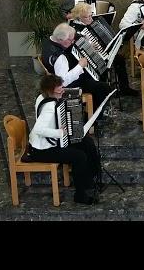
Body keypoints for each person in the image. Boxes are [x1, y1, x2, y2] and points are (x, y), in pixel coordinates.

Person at [27, 74, 101, 205]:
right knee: (79, 156)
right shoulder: (49, 108)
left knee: (86, 142)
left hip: (49, 143)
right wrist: (59, 132)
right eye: (60, 88)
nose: (62, 90)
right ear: (51, 90)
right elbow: (39, 129)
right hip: (41, 150)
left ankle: (90, 181)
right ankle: (80, 195)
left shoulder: (43, 96)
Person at [41, 23, 112, 116]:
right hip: (66, 86)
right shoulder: (60, 58)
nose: (73, 42)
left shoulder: (50, 40)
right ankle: (95, 116)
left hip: (54, 76)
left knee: (95, 76)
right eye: (70, 40)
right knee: (102, 85)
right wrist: (80, 66)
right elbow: (63, 82)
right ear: (61, 39)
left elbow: (72, 44)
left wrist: (88, 45)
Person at [69, 3, 138, 97]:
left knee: (119, 59)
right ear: (78, 18)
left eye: (91, 16)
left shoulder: (92, 23)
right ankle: (103, 91)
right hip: (88, 60)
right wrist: (89, 46)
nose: (91, 19)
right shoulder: (74, 30)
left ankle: (124, 88)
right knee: (103, 66)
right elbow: (76, 48)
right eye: (87, 17)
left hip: (102, 53)